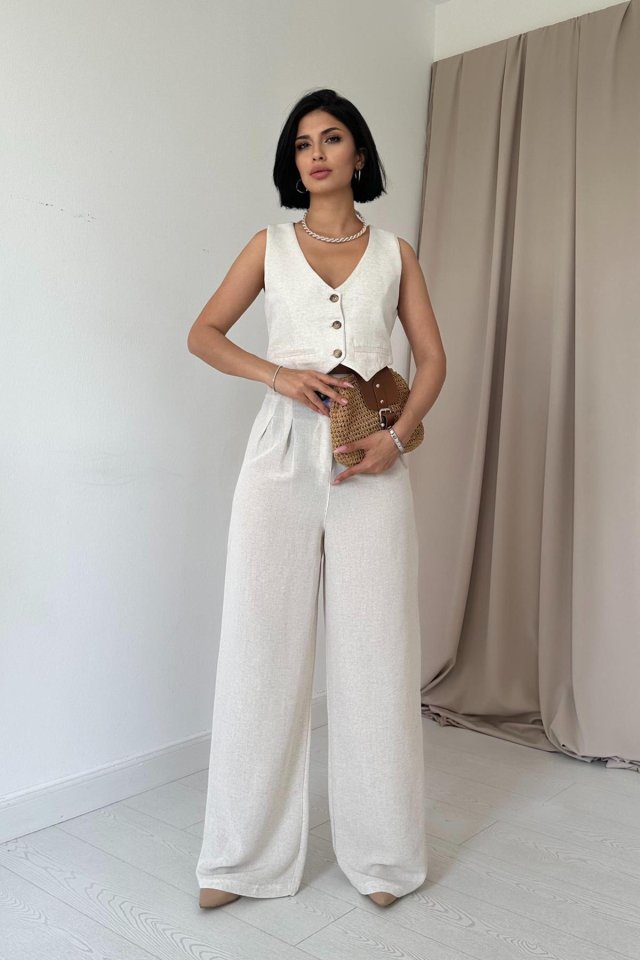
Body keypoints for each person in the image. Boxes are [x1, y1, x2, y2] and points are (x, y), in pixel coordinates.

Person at [187, 88, 446, 910]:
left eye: (332, 139)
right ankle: (241, 859)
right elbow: (204, 333)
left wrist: (397, 437)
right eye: (302, 144)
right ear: (292, 162)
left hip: (373, 461)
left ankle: (384, 858)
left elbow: (433, 360)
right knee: (260, 648)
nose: (316, 154)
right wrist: (278, 375)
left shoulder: (396, 253)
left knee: (377, 654)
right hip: (279, 458)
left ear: (358, 154)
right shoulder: (266, 246)